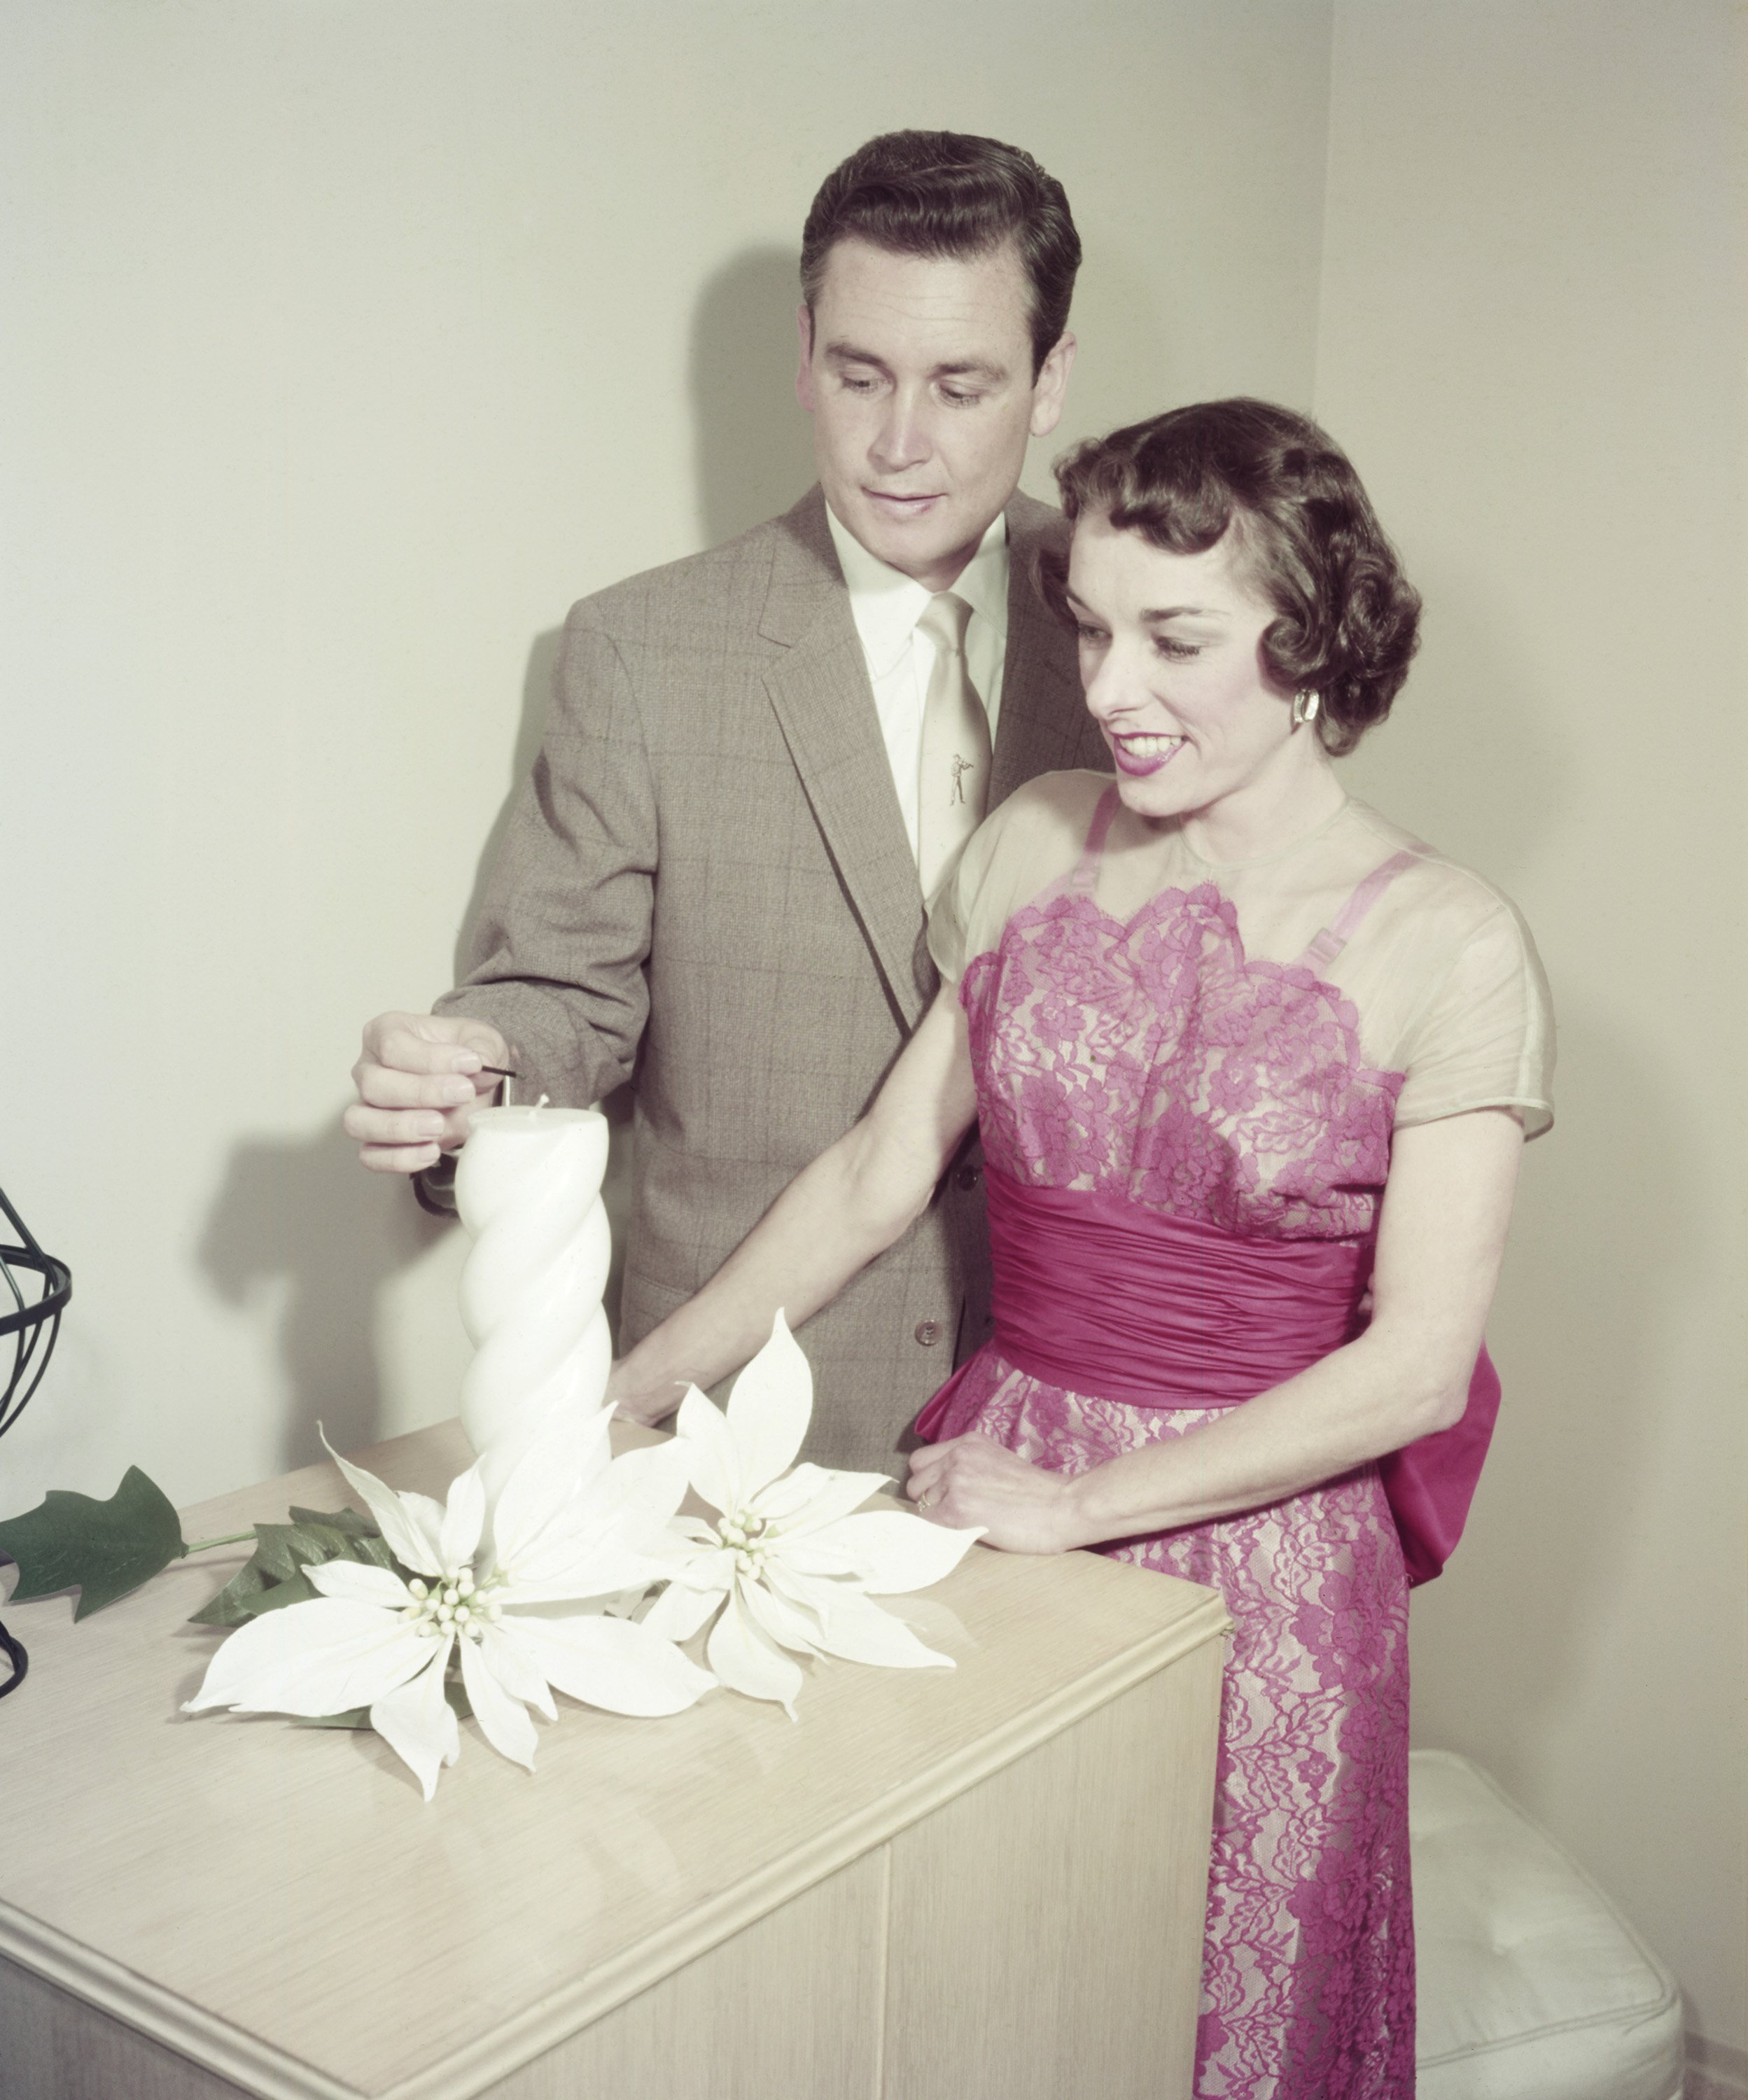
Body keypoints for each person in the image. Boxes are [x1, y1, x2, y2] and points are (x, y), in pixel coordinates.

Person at [606, 398, 1555, 2097]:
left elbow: (1414, 1369)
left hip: (1262, 1565)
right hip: (989, 1500)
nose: (1109, 687)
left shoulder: (1450, 941)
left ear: (1310, 636)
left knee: (1222, 2018)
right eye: (1092, 629)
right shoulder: (1034, 836)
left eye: (1172, 638)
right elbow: (876, 1174)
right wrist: (623, 1395)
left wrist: (1078, 1511)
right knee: (990, 1992)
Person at [344, 132, 1110, 1474]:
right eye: (857, 373)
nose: (898, 442)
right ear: (803, 350)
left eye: (963, 385)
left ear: (1050, 382)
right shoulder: (640, 651)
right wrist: (474, 1075)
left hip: (1073, 1425)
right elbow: (559, 999)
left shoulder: (1145, 623)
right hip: (731, 1420)